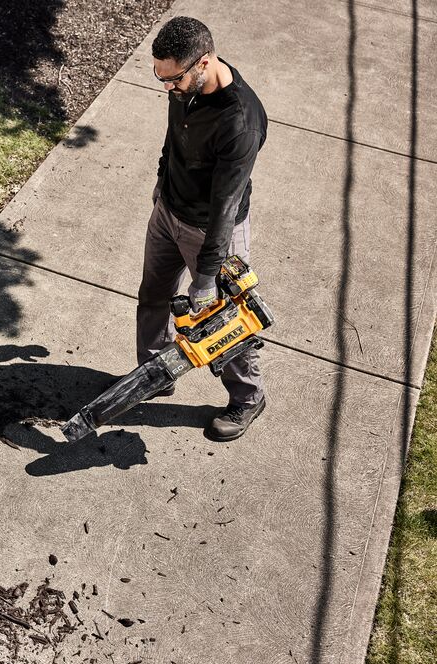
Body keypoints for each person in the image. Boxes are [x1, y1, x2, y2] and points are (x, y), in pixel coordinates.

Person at [139, 16, 268, 441]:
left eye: (172, 79)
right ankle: (155, 372)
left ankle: (248, 397)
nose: (166, 88)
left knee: (223, 322)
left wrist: (209, 277)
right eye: (160, 76)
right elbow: (173, 140)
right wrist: (162, 183)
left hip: (212, 231)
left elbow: (226, 205)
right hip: (169, 212)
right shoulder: (185, 85)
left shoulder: (241, 122)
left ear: (203, 63)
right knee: (153, 296)